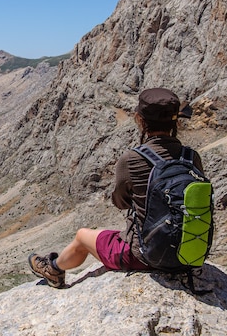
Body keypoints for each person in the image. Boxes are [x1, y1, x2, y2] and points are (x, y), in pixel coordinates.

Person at [28, 87, 203, 288]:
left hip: (145, 255)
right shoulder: (190, 157)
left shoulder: (132, 159)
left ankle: (54, 269)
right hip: (190, 251)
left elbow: (120, 202)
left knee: (83, 236)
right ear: (176, 121)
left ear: (140, 119)